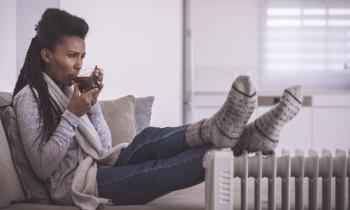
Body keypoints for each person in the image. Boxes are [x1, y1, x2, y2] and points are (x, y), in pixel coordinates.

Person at [12, 8, 303, 210]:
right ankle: (246, 140)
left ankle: (218, 129)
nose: (78, 64)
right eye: (71, 56)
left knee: (148, 139)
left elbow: (103, 146)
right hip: (73, 186)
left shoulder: (66, 89)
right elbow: (42, 166)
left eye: (82, 56)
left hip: (97, 164)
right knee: (156, 171)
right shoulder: (29, 98)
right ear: (46, 55)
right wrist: (73, 114)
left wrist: (93, 105)